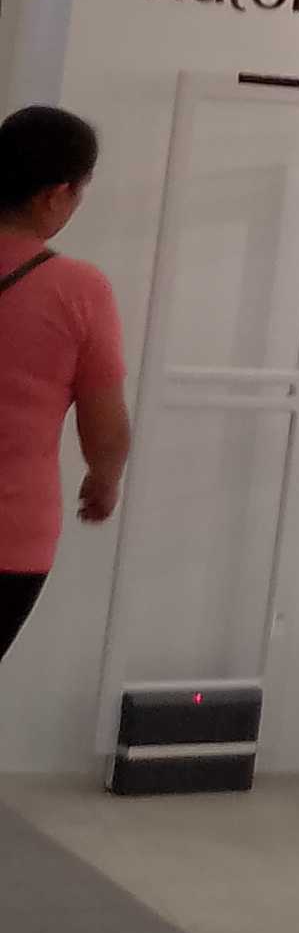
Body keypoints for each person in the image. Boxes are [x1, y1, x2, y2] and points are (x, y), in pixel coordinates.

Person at [0, 105, 128, 667]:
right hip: (10, 537)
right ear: (53, 195)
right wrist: (104, 479)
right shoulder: (78, 289)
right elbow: (105, 425)